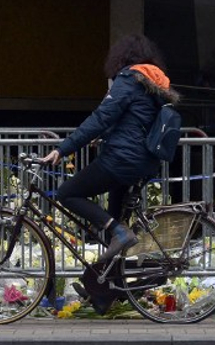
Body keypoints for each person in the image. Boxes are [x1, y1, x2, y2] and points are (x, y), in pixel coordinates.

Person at [41, 34, 181, 261]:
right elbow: (136, 121)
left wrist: (63, 149)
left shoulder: (129, 79)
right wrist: (107, 137)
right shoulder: (155, 85)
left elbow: (101, 118)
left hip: (122, 160)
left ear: (121, 57)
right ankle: (102, 290)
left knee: (68, 193)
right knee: (112, 224)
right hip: (146, 162)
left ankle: (119, 232)